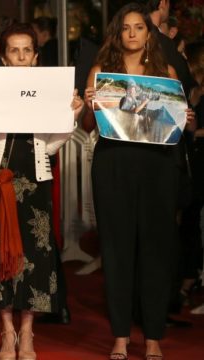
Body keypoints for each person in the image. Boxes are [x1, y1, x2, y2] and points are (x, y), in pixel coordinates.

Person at [82, 3, 196, 359]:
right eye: (126, 28)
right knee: (115, 250)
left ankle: (153, 337)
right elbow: (87, 127)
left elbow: (182, 129)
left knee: (156, 250)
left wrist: (187, 118)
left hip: (158, 167)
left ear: (149, 34)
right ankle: (119, 336)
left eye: (139, 28)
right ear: (117, 34)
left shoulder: (167, 72)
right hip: (113, 165)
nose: (132, 33)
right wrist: (89, 107)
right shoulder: (102, 71)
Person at [0, 22, 82, 360]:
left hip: (34, 185)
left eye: (26, 50)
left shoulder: (49, 90)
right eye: (13, 51)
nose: (20, 56)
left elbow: (49, 147)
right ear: (3, 58)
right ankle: (7, 333)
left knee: (35, 258)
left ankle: (28, 333)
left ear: (35, 56)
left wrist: (70, 118)